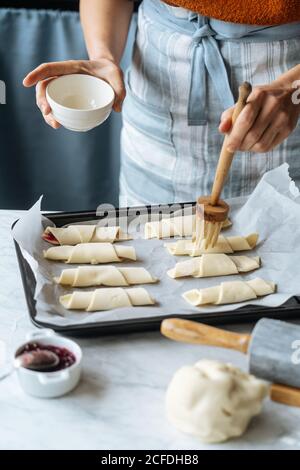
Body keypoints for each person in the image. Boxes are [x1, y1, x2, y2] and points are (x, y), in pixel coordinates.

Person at [23, 0, 300, 206]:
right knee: (147, 249)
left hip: (286, 89)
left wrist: (292, 88)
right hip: (160, 82)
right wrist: (103, 56)